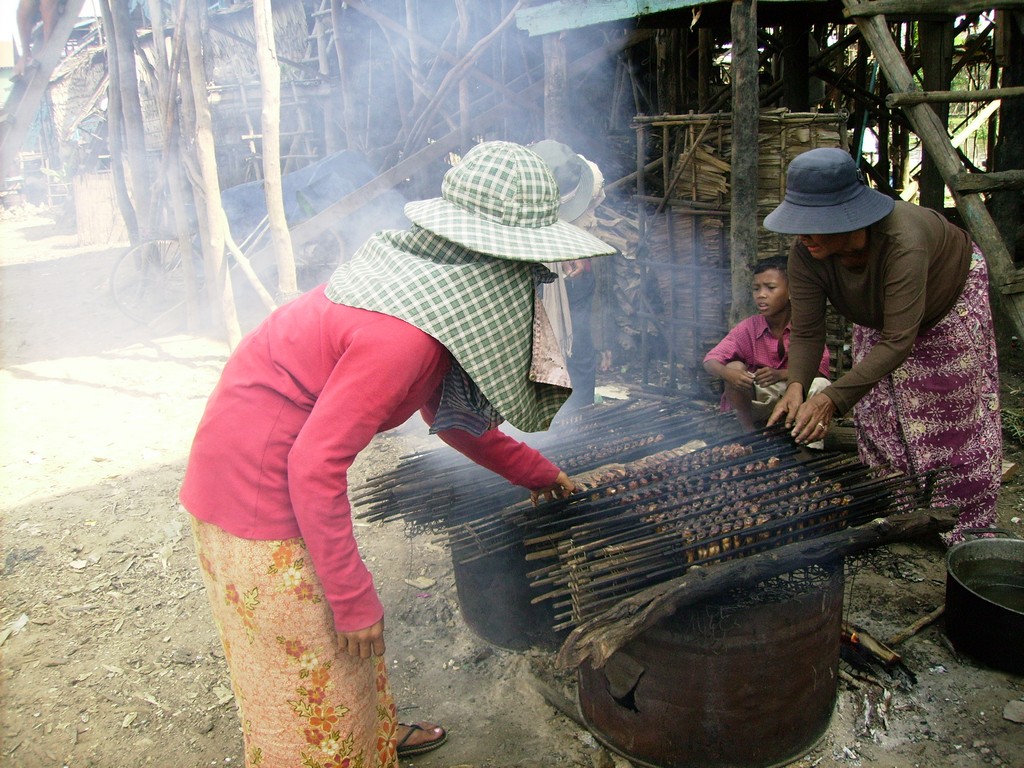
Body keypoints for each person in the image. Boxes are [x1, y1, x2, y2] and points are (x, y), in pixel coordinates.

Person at [179, 141, 615, 767]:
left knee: (342, 652)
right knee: (313, 662)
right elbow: (311, 466)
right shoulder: (402, 335)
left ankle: (371, 738)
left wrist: (539, 474)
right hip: (252, 488)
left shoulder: (431, 292)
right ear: (497, 258)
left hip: (270, 461)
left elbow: (454, 418)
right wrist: (355, 598)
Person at [763, 147, 1002, 545]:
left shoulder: (902, 240)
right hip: (882, 315)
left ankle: (964, 527)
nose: (801, 234)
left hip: (947, 301)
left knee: (949, 413)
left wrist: (830, 400)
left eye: (812, 223)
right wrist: (796, 386)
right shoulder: (807, 253)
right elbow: (806, 332)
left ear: (845, 216)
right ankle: (903, 512)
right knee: (879, 412)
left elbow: (897, 341)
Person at [703, 256, 830, 431]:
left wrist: (781, 374)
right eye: (756, 289)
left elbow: (821, 369)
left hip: (796, 394)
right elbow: (710, 360)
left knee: (821, 385)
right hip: (758, 399)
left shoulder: (803, 325)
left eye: (770, 288)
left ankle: (806, 440)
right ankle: (749, 433)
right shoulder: (749, 328)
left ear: (791, 290)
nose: (761, 295)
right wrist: (729, 374)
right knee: (734, 367)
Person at [530, 139, 607, 412]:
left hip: (575, 282)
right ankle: (542, 420)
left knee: (579, 349)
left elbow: (585, 224)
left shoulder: (585, 177)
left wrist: (572, 252)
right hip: (531, 280)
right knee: (535, 353)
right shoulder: (516, 192)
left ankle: (581, 418)